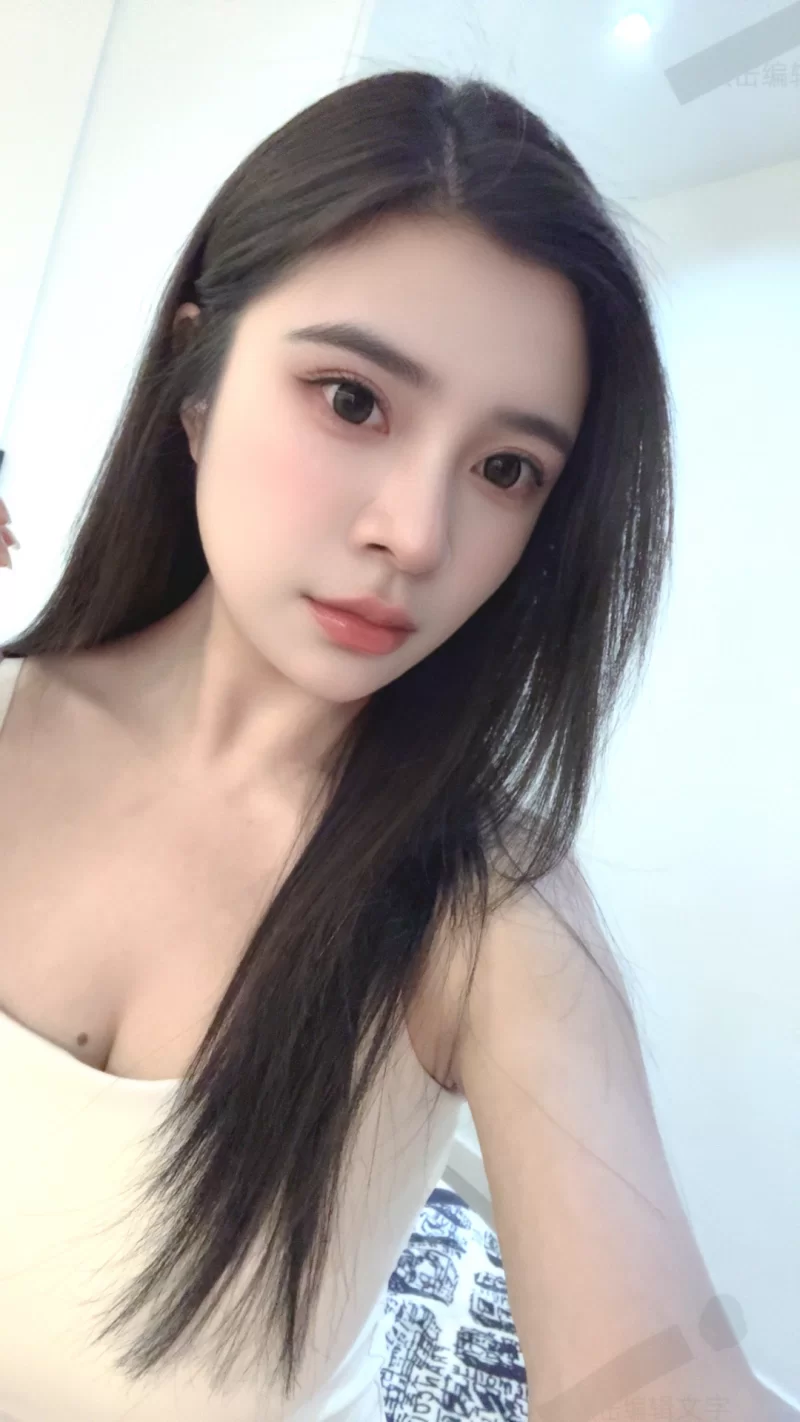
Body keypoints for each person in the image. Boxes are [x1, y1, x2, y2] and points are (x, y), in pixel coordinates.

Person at [0, 68, 792, 1422]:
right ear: (197, 385)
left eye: (506, 470)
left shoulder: (492, 911)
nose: (417, 535)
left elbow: (668, 1383)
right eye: (353, 400)